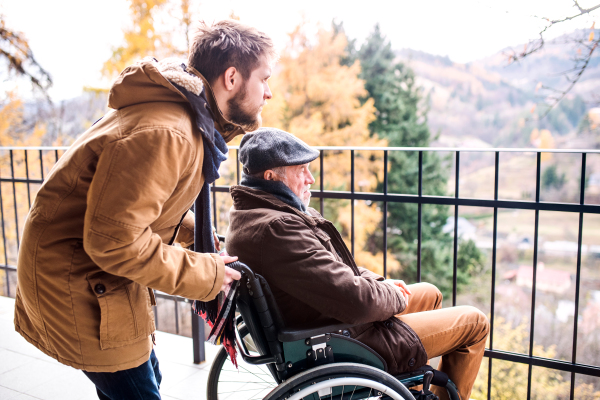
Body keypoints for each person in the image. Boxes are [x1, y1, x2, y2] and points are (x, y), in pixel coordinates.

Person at [14, 20, 277, 400]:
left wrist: (195, 235)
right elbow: (114, 242)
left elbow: (142, 206)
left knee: (144, 371)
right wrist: (206, 273)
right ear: (232, 78)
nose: (269, 93)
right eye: (264, 79)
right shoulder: (168, 134)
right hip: (74, 278)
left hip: (91, 272)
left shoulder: (187, 120)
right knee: (137, 386)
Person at [225, 128, 490, 400]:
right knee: (475, 322)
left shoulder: (256, 213)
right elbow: (357, 300)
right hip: (339, 339)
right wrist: (393, 296)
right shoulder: (279, 228)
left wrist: (381, 284)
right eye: (301, 169)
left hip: (327, 323)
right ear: (271, 176)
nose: (311, 178)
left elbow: (333, 269)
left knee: (429, 292)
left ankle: (406, 390)